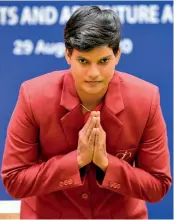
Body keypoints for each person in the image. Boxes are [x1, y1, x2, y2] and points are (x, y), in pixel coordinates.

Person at [1, 5, 172, 219]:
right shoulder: (33, 96)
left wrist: (106, 163)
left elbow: (158, 185)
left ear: (117, 55)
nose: (94, 73)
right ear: (68, 55)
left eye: (103, 61)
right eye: (83, 61)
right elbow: (14, 181)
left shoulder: (146, 99)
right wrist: (77, 160)